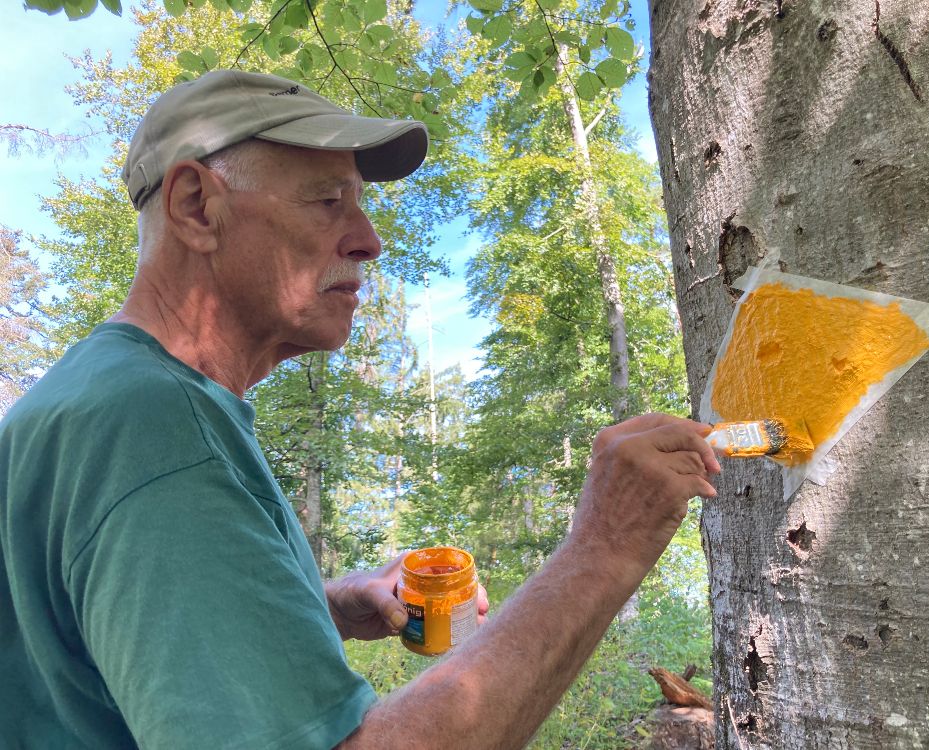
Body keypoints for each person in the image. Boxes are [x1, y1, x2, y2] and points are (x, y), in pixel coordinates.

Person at [0, 70, 720, 749]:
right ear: (196, 205)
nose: (369, 240)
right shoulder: (156, 431)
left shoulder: (92, 399)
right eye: (326, 201)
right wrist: (604, 549)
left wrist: (327, 606)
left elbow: (96, 653)